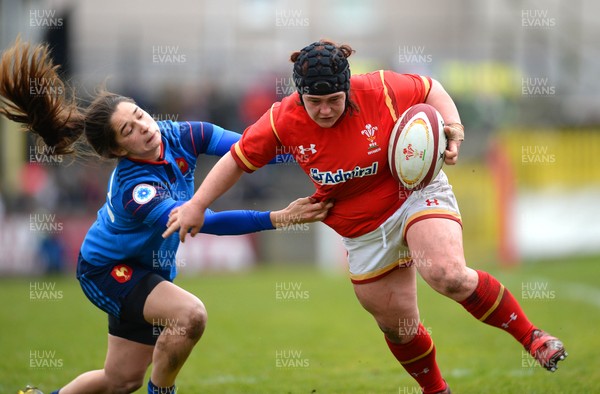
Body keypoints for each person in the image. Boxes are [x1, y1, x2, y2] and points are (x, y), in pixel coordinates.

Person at [164, 40, 567, 393]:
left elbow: (433, 89)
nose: (324, 110)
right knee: (398, 326)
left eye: (333, 100)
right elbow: (237, 160)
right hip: (360, 230)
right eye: (314, 102)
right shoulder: (281, 119)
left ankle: (532, 337)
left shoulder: (380, 88)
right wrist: (197, 204)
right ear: (299, 95)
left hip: (414, 193)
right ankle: (435, 389)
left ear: (348, 87)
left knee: (447, 273)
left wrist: (454, 127)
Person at [0, 38, 331, 394]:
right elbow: (201, 221)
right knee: (190, 315)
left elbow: (253, 150)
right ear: (117, 149)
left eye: (139, 115)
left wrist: (310, 143)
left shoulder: (183, 134)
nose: (143, 127)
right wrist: (277, 218)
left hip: (148, 271)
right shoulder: (135, 189)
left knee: (120, 381)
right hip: (107, 272)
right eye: (128, 130)